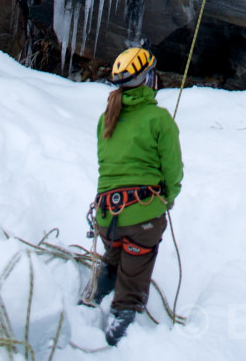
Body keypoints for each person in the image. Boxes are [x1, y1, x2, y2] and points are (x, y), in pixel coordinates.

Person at [88, 47, 183, 347]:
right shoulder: (159, 118)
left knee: (114, 256)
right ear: (147, 78)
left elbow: (108, 167)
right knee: (137, 260)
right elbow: (173, 170)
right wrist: (167, 198)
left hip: (106, 217)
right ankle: (123, 313)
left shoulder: (106, 119)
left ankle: (97, 292)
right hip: (141, 216)